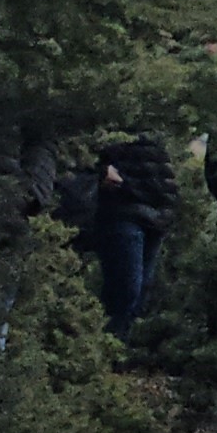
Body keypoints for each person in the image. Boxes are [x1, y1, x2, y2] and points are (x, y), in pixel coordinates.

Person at [77, 132, 181, 337]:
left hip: (157, 209)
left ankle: (114, 351)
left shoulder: (159, 114)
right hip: (122, 207)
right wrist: (101, 171)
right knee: (126, 290)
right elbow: (80, 142)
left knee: (140, 293)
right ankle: (105, 348)